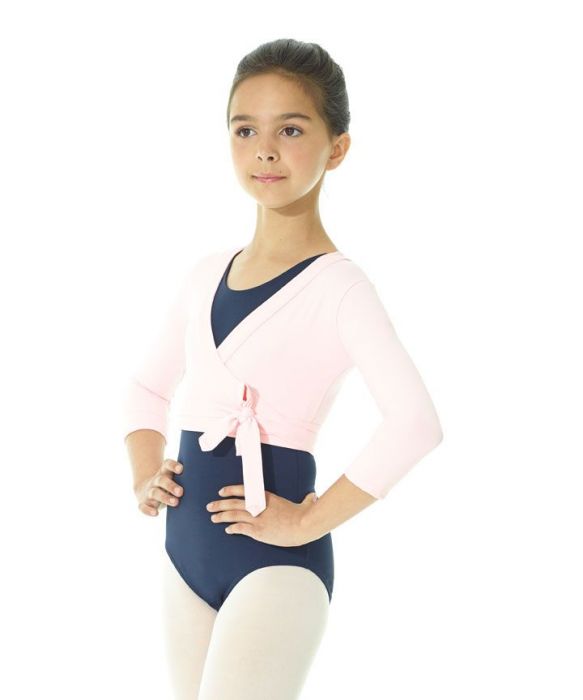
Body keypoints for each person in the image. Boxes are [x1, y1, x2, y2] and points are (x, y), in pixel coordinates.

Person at [123, 38, 443, 700]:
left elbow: (415, 423)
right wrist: (144, 471)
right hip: (184, 557)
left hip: (277, 566)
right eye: (245, 130)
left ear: (337, 148)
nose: (264, 150)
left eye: (291, 130)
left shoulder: (340, 287)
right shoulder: (205, 273)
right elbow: (146, 389)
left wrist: (305, 521)